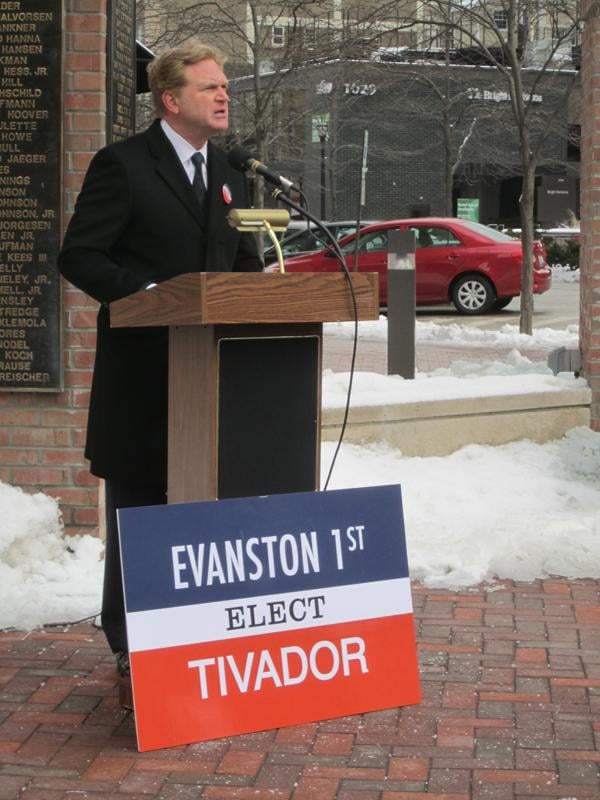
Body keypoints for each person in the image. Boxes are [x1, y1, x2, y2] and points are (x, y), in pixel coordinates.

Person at [58, 40, 263, 701]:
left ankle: (200, 629)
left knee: (208, 507)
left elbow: (245, 267)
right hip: (145, 375)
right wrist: (146, 295)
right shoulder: (123, 166)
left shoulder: (234, 173)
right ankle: (131, 640)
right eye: (210, 87)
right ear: (171, 100)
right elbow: (80, 255)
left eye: (224, 85)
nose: (223, 94)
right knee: (142, 508)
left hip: (215, 376)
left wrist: (264, 302)